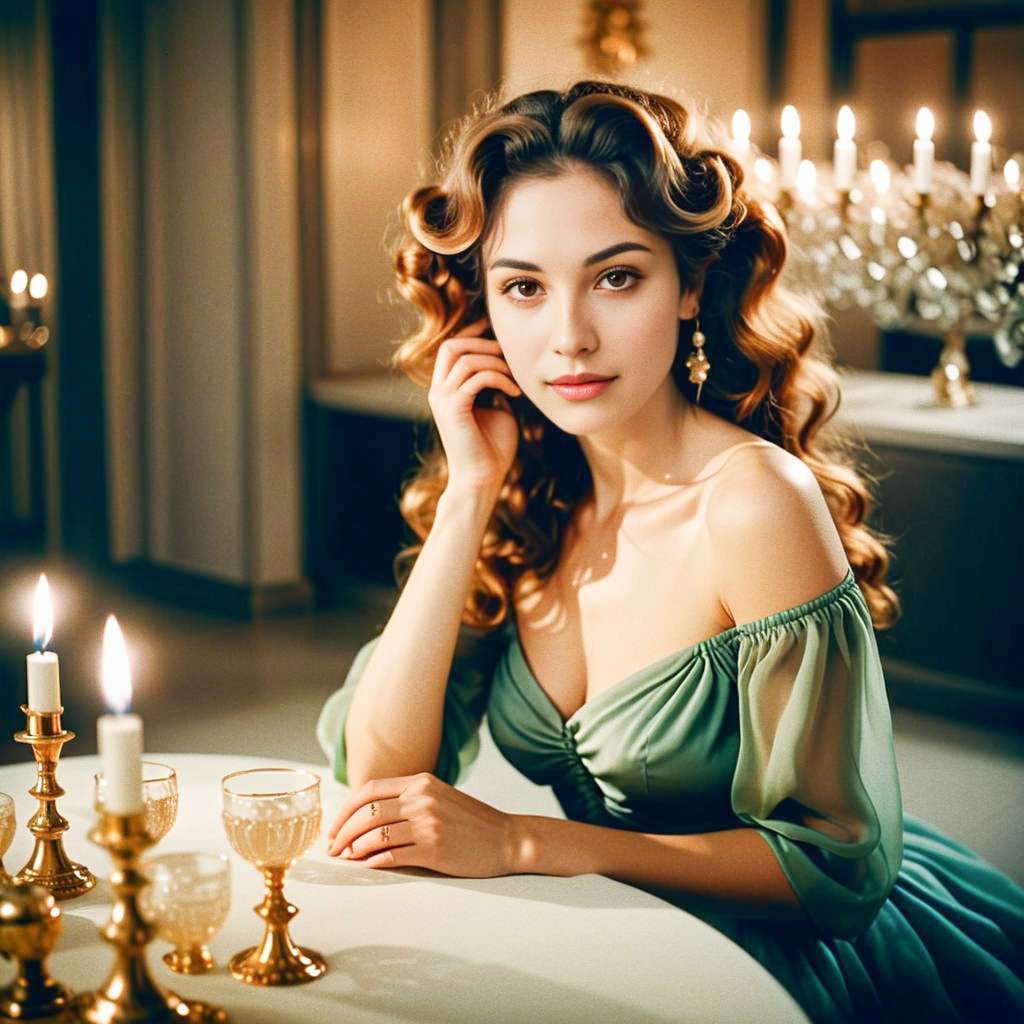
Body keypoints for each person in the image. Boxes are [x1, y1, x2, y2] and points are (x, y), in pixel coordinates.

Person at [317, 81, 1024, 1022]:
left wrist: (528, 845)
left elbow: (836, 870)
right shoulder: (526, 494)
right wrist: (468, 499)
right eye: (524, 286)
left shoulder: (753, 504)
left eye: (616, 276)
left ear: (689, 283)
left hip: (785, 957)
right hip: (617, 915)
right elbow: (378, 775)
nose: (567, 337)